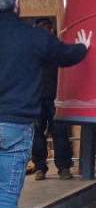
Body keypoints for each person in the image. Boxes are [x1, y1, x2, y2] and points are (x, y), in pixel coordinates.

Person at [0, 0, 91, 208]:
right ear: (17, 3)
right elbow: (69, 55)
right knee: (5, 199)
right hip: (14, 126)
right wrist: (84, 46)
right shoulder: (33, 38)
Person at [31, 17, 75, 181]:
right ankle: (40, 167)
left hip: (56, 98)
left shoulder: (57, 48)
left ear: (52, 31)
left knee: (60, 133)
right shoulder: (31, 50)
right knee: (37, 134)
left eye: (46, 28)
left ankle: (63, 167)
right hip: (36, 98)